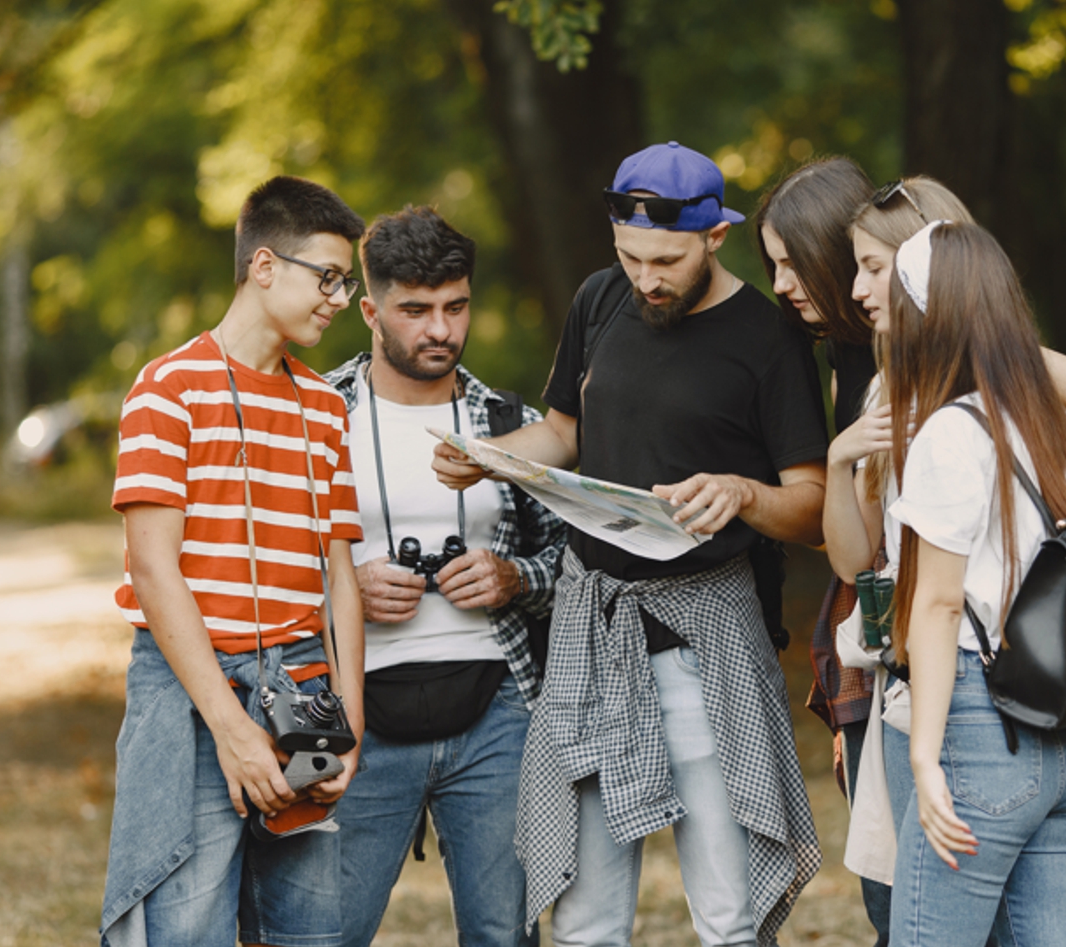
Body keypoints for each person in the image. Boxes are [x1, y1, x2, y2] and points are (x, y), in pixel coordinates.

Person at [433, 141, 827, 947]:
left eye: (666, 260)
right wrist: (488, 459)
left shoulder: (768, 334)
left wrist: (745, 495)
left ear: (715, 237)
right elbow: (562, 433)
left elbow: (814, 507)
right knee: (583, 917)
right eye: (628, 254)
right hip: (590, 631)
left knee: (729, 913)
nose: (645, 277)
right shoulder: (599, 299)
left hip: (704, 637)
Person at [101, 176, 367, 947]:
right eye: (327, 276)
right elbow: (154, 570)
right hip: (189, 685)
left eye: (344, 282)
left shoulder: (325, 407)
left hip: (302, 683)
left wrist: (349, 722)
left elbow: (338, 579)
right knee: (187, 926)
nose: (338, 297)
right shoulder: (167, 390)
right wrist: (230, 725)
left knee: (308, 930)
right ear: (262, 266)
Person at [323, 206, 566, 947]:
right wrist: (344, 589)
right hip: (355, 712)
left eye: (455, 307)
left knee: (505, 934)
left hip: (497, 710)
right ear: (369, 310)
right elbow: (259, 567)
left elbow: (566, 562)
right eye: (415, 310)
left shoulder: (507, 418)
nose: (440, 329)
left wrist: (511, 577)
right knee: (323, 930)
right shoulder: (314, 415)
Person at [883, 220, 1066, 945]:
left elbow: (936, 601)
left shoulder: (950, 435)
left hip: (978, 732)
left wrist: (925, 758)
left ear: (922, 318)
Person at [753, 156, 891, 945]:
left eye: (790, 262)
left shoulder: (931, 342)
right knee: (887, 883)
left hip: (934, 630)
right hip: (869, 627)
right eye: (770, 263)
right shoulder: (842, 349)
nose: (779, 283)